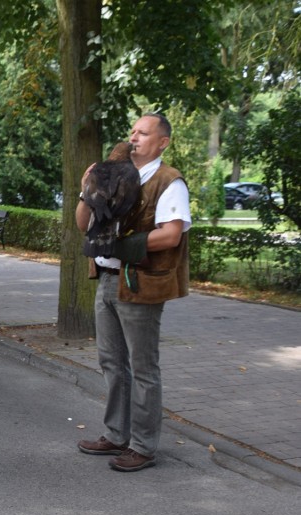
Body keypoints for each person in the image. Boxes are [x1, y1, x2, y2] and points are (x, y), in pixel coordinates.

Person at [76, 113, 191, 472]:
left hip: (141, 281)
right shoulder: (115, 174)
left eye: (144, 133)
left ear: (162, 142)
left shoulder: (168, 181)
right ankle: (116, 435)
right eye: (133, 132)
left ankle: (142, 445)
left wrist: (127, 245)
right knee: (112, 363)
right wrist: (87, 189)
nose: (135, 137)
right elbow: (84, 225)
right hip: (108, 278)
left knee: (143, 367)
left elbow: (172, 235)